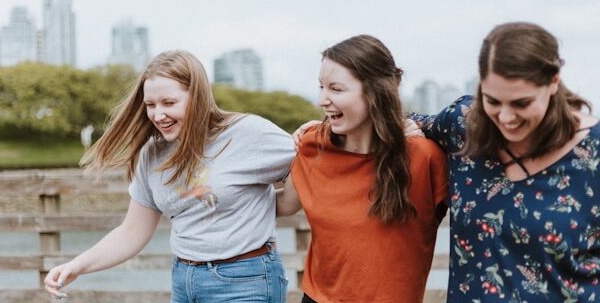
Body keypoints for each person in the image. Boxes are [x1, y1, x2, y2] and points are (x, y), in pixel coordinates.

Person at [43, 50, 295, 303]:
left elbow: (312, 167)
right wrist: (77, 266)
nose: (158, 115)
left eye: (169, 103)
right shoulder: (153, 153)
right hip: (185, 281)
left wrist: (277, 202)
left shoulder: (247, 133)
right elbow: (132, 231)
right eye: (150, 105)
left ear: (197, 97)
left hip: (245, 281)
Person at [407, 22, 600, 301]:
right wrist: (322, 136)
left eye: (521, 103)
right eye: (493, 101)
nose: (506, 117)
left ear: (553, 81)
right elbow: (399, 127)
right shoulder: (463, 123)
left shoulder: (593, 153)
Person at [277, 35, 449, 302]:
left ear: (375, 92)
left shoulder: (425, 157)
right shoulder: (313, 146)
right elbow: (282, 206)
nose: (322, 100)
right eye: (321, 87)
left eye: (335, 89)